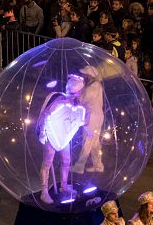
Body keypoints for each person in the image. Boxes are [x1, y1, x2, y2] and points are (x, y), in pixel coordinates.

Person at [36, 73, 86, 204]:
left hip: (64, 136)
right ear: (76, 90)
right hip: (52, 135)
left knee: (66, 160)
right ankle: (44, 191)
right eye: (80, 90)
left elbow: (78, 120)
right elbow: (46, 115)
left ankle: (63, 186)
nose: (81, 92)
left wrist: (85, 123)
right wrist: (43, 133)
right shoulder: (60, 100)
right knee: (47, 162)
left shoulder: (77, 103)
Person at [72, 66, 105, 174]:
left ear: (89, 76)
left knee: (87, 141)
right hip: (96, 116)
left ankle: (79, 167)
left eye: (85, 75)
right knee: (95, 142)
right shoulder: (96, 85)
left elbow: (83, 100)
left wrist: (77, 92)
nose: (83, 76)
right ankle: (98, 165)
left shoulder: (93, 86)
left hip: (92, 117)